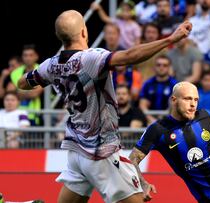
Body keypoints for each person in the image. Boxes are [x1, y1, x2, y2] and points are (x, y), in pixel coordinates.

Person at [17, 10, 192, 203]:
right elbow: (129, 56)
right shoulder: (91, 57)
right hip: (100, 152)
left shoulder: (50, 65)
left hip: (76, 152)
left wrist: (43, 75)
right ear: (84, 32)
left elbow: (23, 83)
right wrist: (170, 39)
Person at [8, 44, 43, 125]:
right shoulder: (15, 72)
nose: (28, 58)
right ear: (22, 57)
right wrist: (31, 91)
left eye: (31, 55)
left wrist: (18, 91)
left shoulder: (42, 70)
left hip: (37, 114)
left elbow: (35, 94)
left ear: (36, 56)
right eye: (25, 55)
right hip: (19, 114)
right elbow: (10, 92)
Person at [139, 55, 177, 124]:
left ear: (169, 67)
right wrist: (151, 119)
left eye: (165, 65)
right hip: (149, 120)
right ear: (154, 67)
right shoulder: (148, 83)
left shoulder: (175, 85)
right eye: (158, 65)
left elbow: (175, 105)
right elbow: (142, 105)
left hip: (169, 120)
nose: (161, 68)